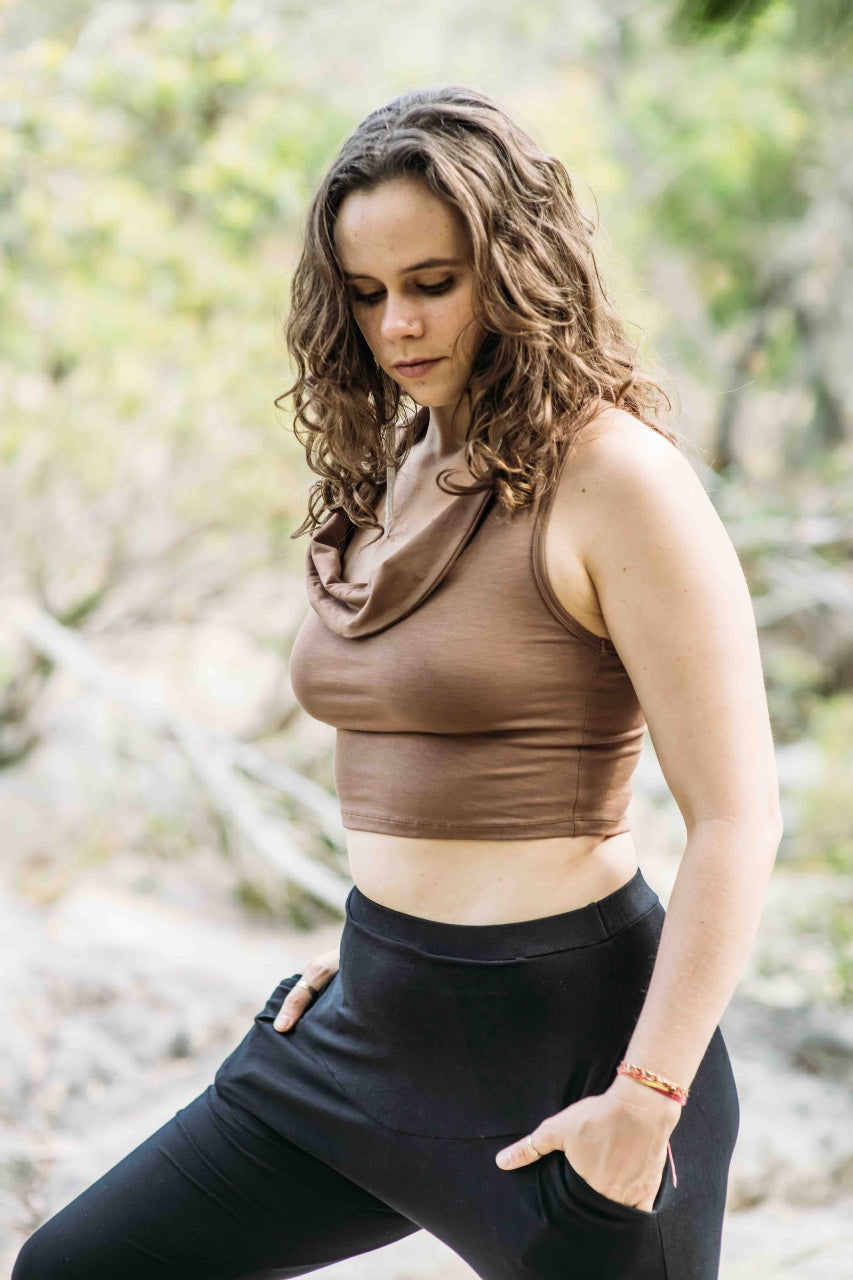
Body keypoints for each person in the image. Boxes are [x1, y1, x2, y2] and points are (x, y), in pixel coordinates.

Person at [13, 85, 782, 1280]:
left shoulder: (617, 478)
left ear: (518, 266)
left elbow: (737, 816)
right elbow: (412, 744)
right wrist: (378, 942)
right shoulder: (401, 460)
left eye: (433, 282)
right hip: (368, 1024)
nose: (398, 327)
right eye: (366, 294)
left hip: (575, 1062)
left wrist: (647, 1096)